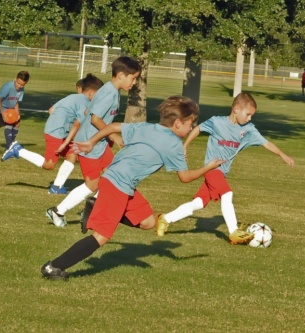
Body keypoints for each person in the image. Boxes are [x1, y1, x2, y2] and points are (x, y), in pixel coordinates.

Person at [41, 96, 226, 280]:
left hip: (117, 181)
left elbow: (113, 127)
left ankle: (95, 207)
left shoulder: (148, 127)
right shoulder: (173, 144)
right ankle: (54, 266)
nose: (191, 128)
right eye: (190, 124)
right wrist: (208, 167)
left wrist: (91, 142)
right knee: (102, 237)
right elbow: (185, 177)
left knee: (148, 222)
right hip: (117, 185)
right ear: (177, 123)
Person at [156, 92, 295, 245]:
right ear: (236, 109)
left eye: (251, 116)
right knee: (227, 193)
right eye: (248, 114)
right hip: (211, 168)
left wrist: (282, 154)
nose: (249, 119)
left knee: (198, 203)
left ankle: (165, 219)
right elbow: (198, 129)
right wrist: (185, 146)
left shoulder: (248, 129)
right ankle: (233, 232)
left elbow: (266, 143)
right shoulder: (217, 122)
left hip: (222, 172)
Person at [45, 56, 140, 228]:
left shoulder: (110, 90)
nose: (134, 82)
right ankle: (58, 211)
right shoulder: (109, 92)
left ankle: (92, 209)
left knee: (115, 174)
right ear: (120, 75)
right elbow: (95, 118)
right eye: (133, 78)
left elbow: (90, 111)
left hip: (99, 143)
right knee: (92, 185)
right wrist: (114, 136)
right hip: (89, 145)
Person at [0, 74, 104, 195]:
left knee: (72, 155)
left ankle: (57, 187)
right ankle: (18, 150)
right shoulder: (85, 102)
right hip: (57, 132)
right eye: (99, 94)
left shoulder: (72, 97)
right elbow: (77, 124)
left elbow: (51, 110)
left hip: (58, 129)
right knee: (49, 165)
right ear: (91, 93)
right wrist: (64, 138)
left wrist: (61, 120)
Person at [0, 70, 30, 159]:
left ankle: (10, 146)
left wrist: (18, 114)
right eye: (18, 83)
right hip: (0, 107)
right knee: (9, 125)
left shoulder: (22, 89)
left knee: (17, 125)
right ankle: (9, 148)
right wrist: (3, 114)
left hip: (11, 108)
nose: (19, 86)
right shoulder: (8, 86)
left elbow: (16, 101)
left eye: (22, 85)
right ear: (15, 79)